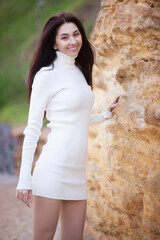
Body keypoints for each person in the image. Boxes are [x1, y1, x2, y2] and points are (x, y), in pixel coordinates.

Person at [16, 12, 120, 240]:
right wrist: (25, 178)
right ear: (53, 43)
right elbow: (32, 129)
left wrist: (104, 115)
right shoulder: (46, 75)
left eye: (76, 34)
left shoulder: (79, 72)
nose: (73, 41)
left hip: (77, 172)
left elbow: (75, 118)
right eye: (64, 37)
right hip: (52, 169)